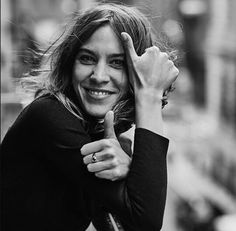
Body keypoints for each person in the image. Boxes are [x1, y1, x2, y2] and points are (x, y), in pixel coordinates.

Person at [0, 2, 179, 231]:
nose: (99, 75)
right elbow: (147, 221)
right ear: (69, 63)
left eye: (117, 63)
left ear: (138, 73)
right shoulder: (48, 116)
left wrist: (129, 170)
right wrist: (150, 96)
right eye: (87, 58)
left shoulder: (101, 132)